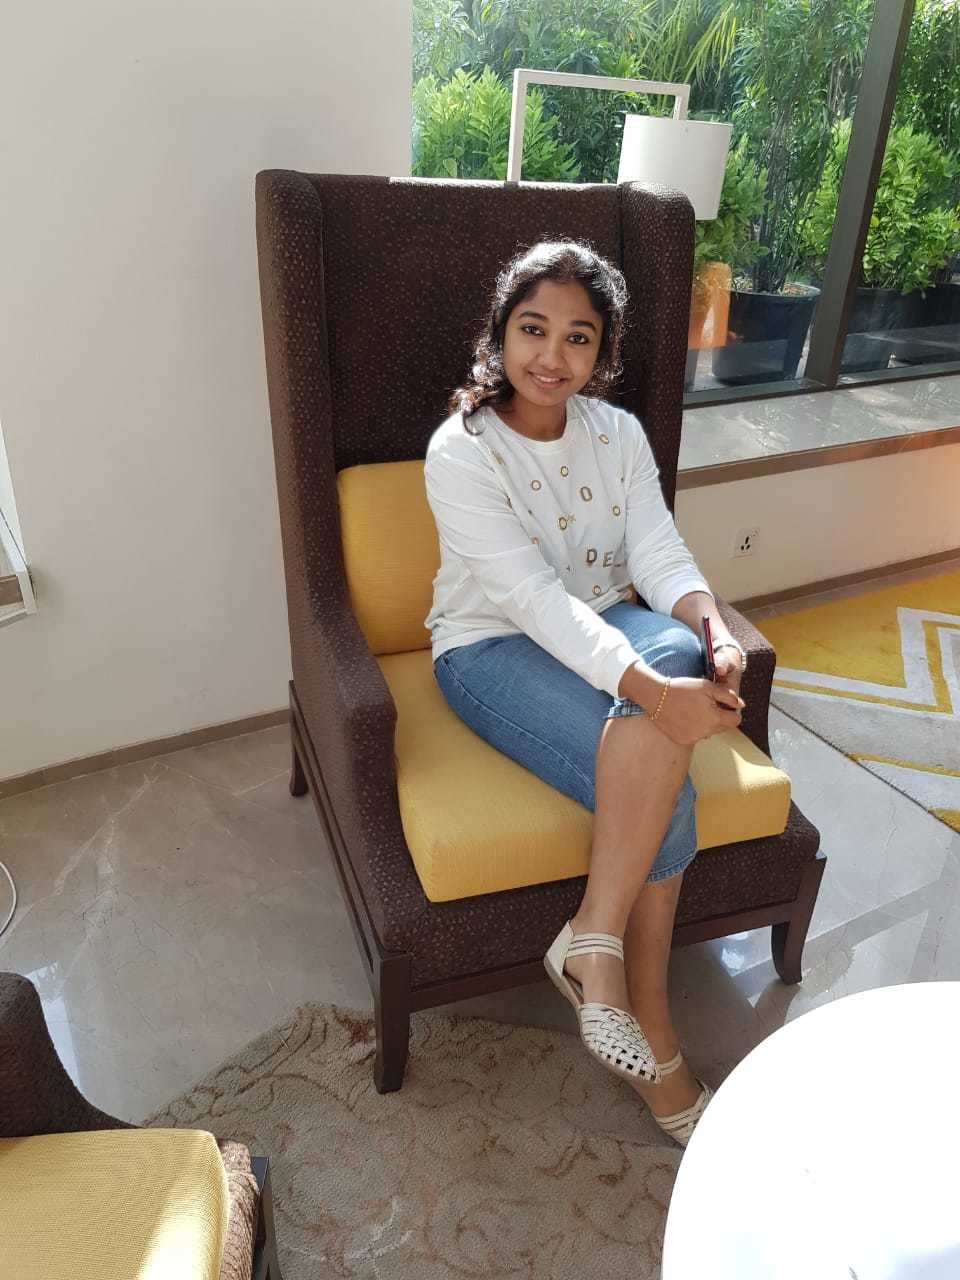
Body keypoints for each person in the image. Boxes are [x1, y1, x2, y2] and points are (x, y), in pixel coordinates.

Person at [423, 239, 747, 1147]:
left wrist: (713, 626)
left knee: (679, 648)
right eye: (533, 329)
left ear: (601, 352)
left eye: (577, 337)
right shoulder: (460, 452)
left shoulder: (618, 434)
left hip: (608, 620)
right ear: (500, 332)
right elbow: (531, 601)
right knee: (668, 782)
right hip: (490, 647)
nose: (550, 356)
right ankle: (656, 1031)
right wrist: (654, 693)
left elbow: (657, 552)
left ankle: (591, 938)